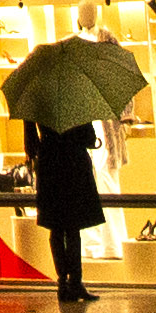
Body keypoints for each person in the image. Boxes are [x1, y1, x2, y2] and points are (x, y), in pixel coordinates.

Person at [33, 112, 107, 302]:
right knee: (73, 229)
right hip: (74, 166)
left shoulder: (36, 101)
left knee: (56, 228)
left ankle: (62, 283)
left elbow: (31, 145)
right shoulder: (76, 102)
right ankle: (75, 282)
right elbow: (89, 139)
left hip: (49, 168)